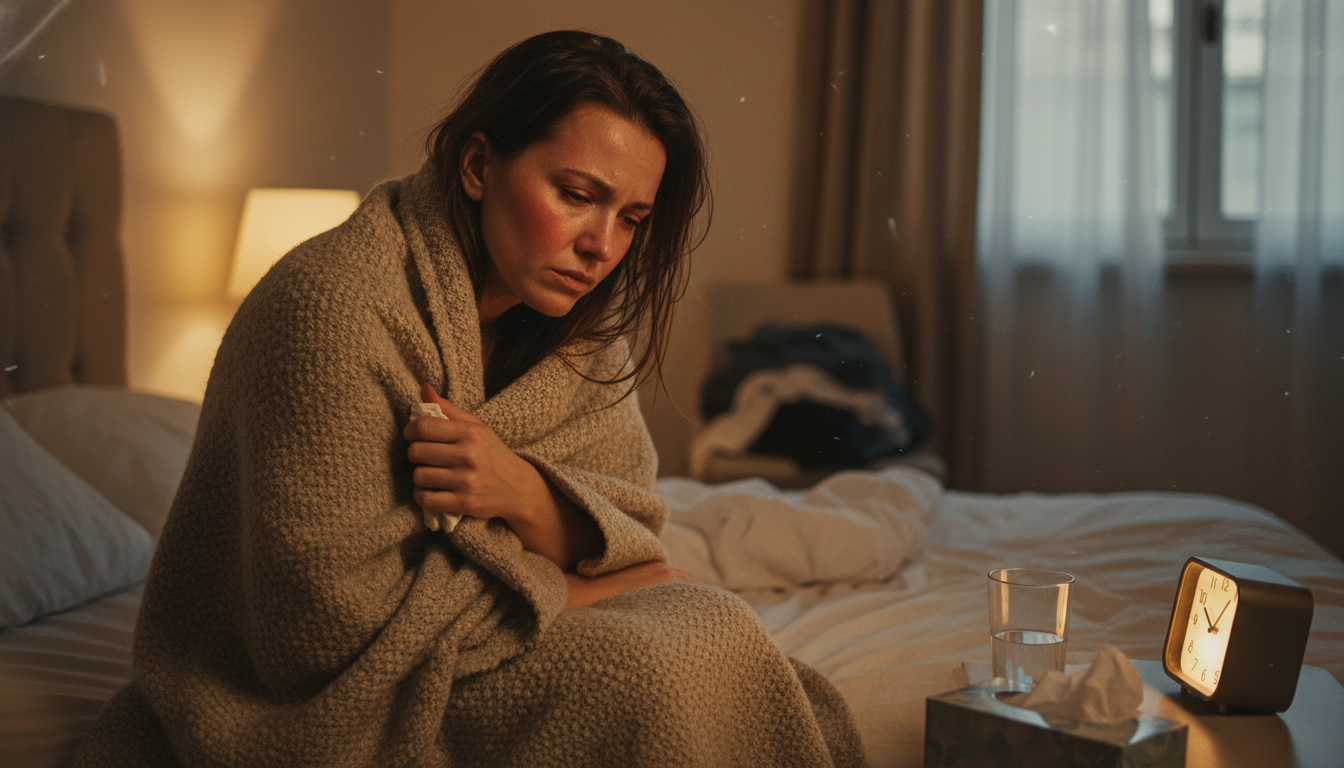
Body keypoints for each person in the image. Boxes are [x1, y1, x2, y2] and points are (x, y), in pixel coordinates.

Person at [75, 31, 862, 767]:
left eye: (631, 219)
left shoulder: (578, 326)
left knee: (725, 634)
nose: (602, 247)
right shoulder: (326, 306)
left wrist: (522, 493)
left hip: (459, 642)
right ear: (479, 166)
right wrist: (582, 587)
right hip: (331, 696)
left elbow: (633, 525)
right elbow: (319, 629)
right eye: (576, 194)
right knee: (657, 672)